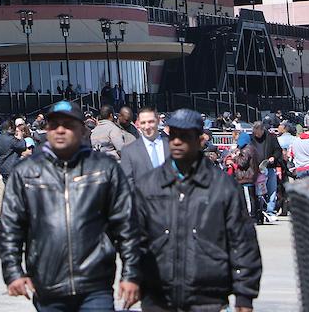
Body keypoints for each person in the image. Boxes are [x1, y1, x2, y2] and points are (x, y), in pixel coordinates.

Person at [0, 100, 141, 312]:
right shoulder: (26, 172)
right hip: (48, 286)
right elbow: (11, 227)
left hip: (95, 286)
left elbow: (127, 225)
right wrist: (13, 272)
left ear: (81, 129)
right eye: (54, 125)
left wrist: (131, 274)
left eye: (68, 125)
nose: (61, 130)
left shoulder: (104, 169)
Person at [133, 109, 262, 312]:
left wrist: (244, 295)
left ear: (200, 139)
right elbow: (133, 239)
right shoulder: (148, 185)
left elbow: (243, 242)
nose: (176, 142)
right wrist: (132, 277)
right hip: (158, 297)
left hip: (208, 298)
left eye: (184, 136)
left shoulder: (223, 186)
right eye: (173, 135)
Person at [119, 106, 168, 187]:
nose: (147, 127)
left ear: (158, 121)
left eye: (151, 122)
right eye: (143, 123)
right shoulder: (129, 151)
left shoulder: (171, 147)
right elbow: (127, 183)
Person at [249, 121, 284, 221]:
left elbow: (278, 150)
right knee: (259, 191)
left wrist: (274, 157)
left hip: (269, 167)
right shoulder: (251, 138)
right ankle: (260, 210)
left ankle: (270, 211)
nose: (257, 135)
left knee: (272, 190)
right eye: (255, 133)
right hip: (257, 169)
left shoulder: (271, 137)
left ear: (262, 130)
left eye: (258, 133)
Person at [0, 119, 29, 215]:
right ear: (9, 128)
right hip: (12, 169)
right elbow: (23, 146)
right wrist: (20, 136)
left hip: (3, 169)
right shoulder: (11, 139)